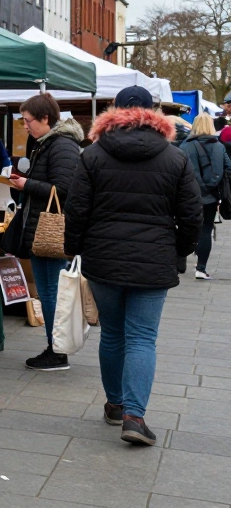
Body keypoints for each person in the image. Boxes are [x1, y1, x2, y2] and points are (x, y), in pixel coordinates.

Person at [65, 86, 202, 446]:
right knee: (142, 337)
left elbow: (76, 209)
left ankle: (114, 403)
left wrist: (73, 249)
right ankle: (134, 416)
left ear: (115, 110)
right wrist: (180, 253)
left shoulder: (93, 155)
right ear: (153, 112)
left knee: (112, 333)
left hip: (103, 258)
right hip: (154, 261)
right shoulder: (174, 157)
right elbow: (191, 214)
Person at [5, 92, 84, 371]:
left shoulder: (61, 146)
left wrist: (26, 185)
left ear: (45, 118)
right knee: (50, 291)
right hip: (39, 229)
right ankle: (55, 347)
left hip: (49, 232)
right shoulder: (48, 144)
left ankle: (56, 351)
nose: (24, 126)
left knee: (50, 292)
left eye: (27, 120)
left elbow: (64, 190)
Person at [179, 113, 229, 280]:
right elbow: (229, 168)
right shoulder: (219, 146)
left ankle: (180, 262)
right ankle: (201, 268)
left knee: (183, 226)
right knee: (206, 229)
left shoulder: (186, 146)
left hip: (188, 195)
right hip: (211, 196)